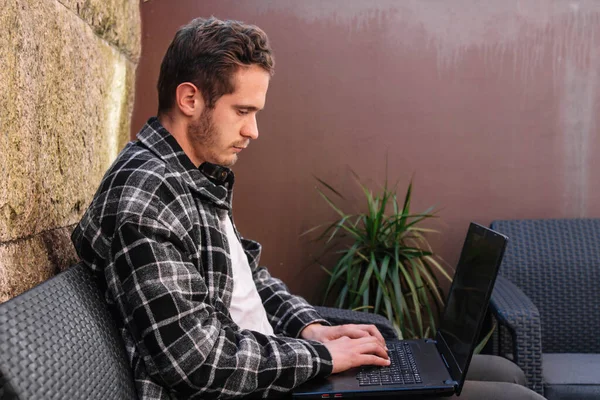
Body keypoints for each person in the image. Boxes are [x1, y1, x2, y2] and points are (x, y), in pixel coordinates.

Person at [72, 17, 545, 400]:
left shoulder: (191, 176)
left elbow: (247, 279)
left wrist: (312, 329)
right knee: (513, 395)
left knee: (503, 372)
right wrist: (321, 359)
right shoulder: (146, 195)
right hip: (245, 386)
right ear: (190, 98)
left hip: (273, 368)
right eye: (243, 111)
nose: (253, 131)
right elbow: (198, 362)